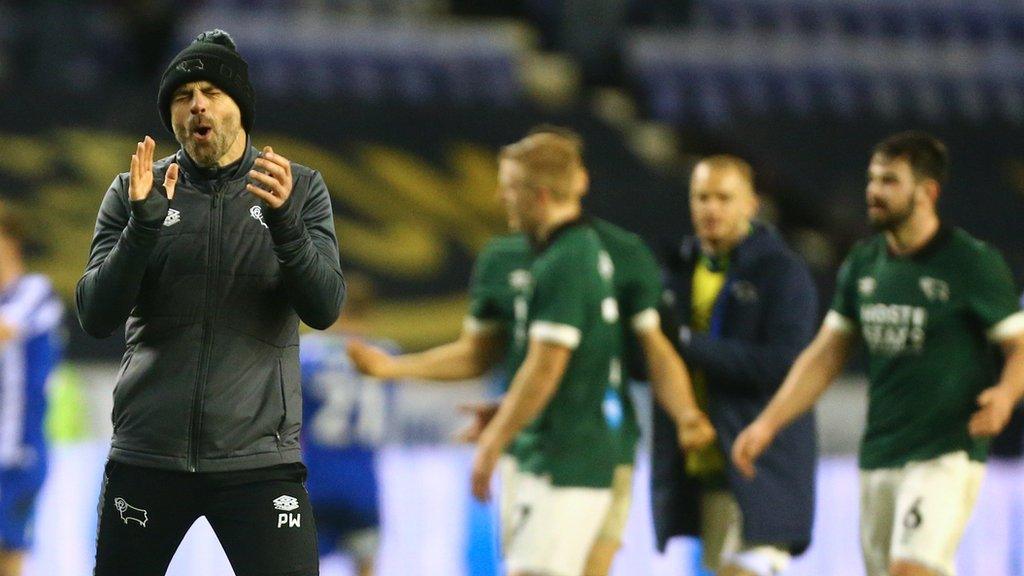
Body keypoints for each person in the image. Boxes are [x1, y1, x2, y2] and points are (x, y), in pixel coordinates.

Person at [348, 127, 714, 576]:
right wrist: (396, 368)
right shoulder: (510, 258)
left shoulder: (607, 254)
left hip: (588, 448)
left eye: (510, 187)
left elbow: (586, 359)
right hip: (534, 442)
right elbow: (482, 354)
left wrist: (685, 414)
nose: (501, 197)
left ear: (552, 189)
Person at [76, 30, 345, 576]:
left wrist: (287, 226)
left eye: (212, 91)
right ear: (171, 117)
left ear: (239, 108)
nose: (197, 104)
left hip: (258, 459)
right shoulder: (134, 190)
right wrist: (142, 229)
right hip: (148, 455)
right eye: (182, 95)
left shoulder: (297, 189)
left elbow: (324, 308)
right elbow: (96, 315)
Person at [732, 131, 1024, 576]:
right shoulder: (864, 265)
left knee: (911, 569)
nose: (873, 191)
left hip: (945, 452)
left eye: (889, 181)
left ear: (927, 192)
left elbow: (1019, 347)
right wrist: (769, 423)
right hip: (881, 452)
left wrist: (1005, 394)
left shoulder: (972, 264)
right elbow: (826, 355)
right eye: (872, 179)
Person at [652, 155, 818, 576]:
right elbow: (652, 361)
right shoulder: (676, 273)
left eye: (724, 198)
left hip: (763, 467)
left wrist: (687, 343)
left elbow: (785, 366)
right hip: (705, 469)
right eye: (702, 197)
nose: (711, 209)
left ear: (751, 205)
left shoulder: (782, 273)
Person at [300, 275, 394, 576]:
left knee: (301, 565)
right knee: (365, 568)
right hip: (363, 483)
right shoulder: (387, 354)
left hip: (317, 480)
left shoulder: (307, 352)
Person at [0, 208, 64, 576]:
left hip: (19, 450)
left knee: (10, 549)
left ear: (12, 243)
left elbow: (7, 330)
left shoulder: (34, 292)